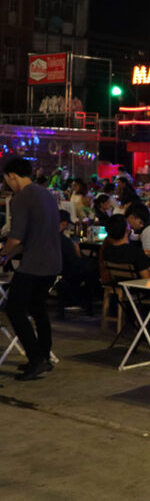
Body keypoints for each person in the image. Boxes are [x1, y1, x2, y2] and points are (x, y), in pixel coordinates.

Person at [0, 157, 62, 380]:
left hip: (34, 264)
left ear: (12, 175)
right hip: (53, 263)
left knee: (14, 309)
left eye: (6, 179)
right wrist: (9, 255)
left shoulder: (21, 199)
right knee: (38, 308)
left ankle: (36, 359)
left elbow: (16, 239)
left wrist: (4, 253)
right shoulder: (46, 194)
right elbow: (32, 237)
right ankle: (43, 356)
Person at [99, 214, 150, 280]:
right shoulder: (135, 252)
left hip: (115, 288)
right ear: (127, 229)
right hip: (134, 288)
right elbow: (147, 279)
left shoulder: (106, 251)